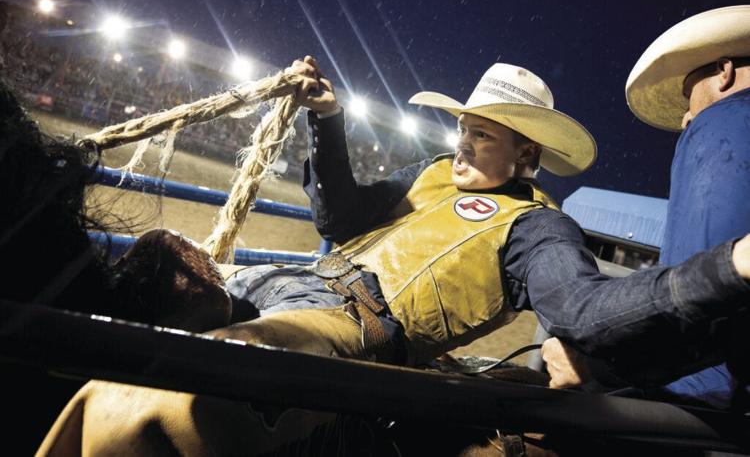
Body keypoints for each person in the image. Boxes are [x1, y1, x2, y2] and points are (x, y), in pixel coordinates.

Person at [37, 56, 750, 454]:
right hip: (281, 278)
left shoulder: (539, 230)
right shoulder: (433, 176)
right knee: (140, 276)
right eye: (464, 127)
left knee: (170, 395)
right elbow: (337, 215)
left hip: (348, 320)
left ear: (526, 154)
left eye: (482, 135)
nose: (463, 142)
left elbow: (586, 311)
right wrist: (329, 120)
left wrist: (733, 265)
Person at [542, 5, 750, 408]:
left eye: (690, 95)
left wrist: (598, 367)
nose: (687, 117)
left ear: (724, 71)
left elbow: (719, 308)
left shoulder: (724, 123)